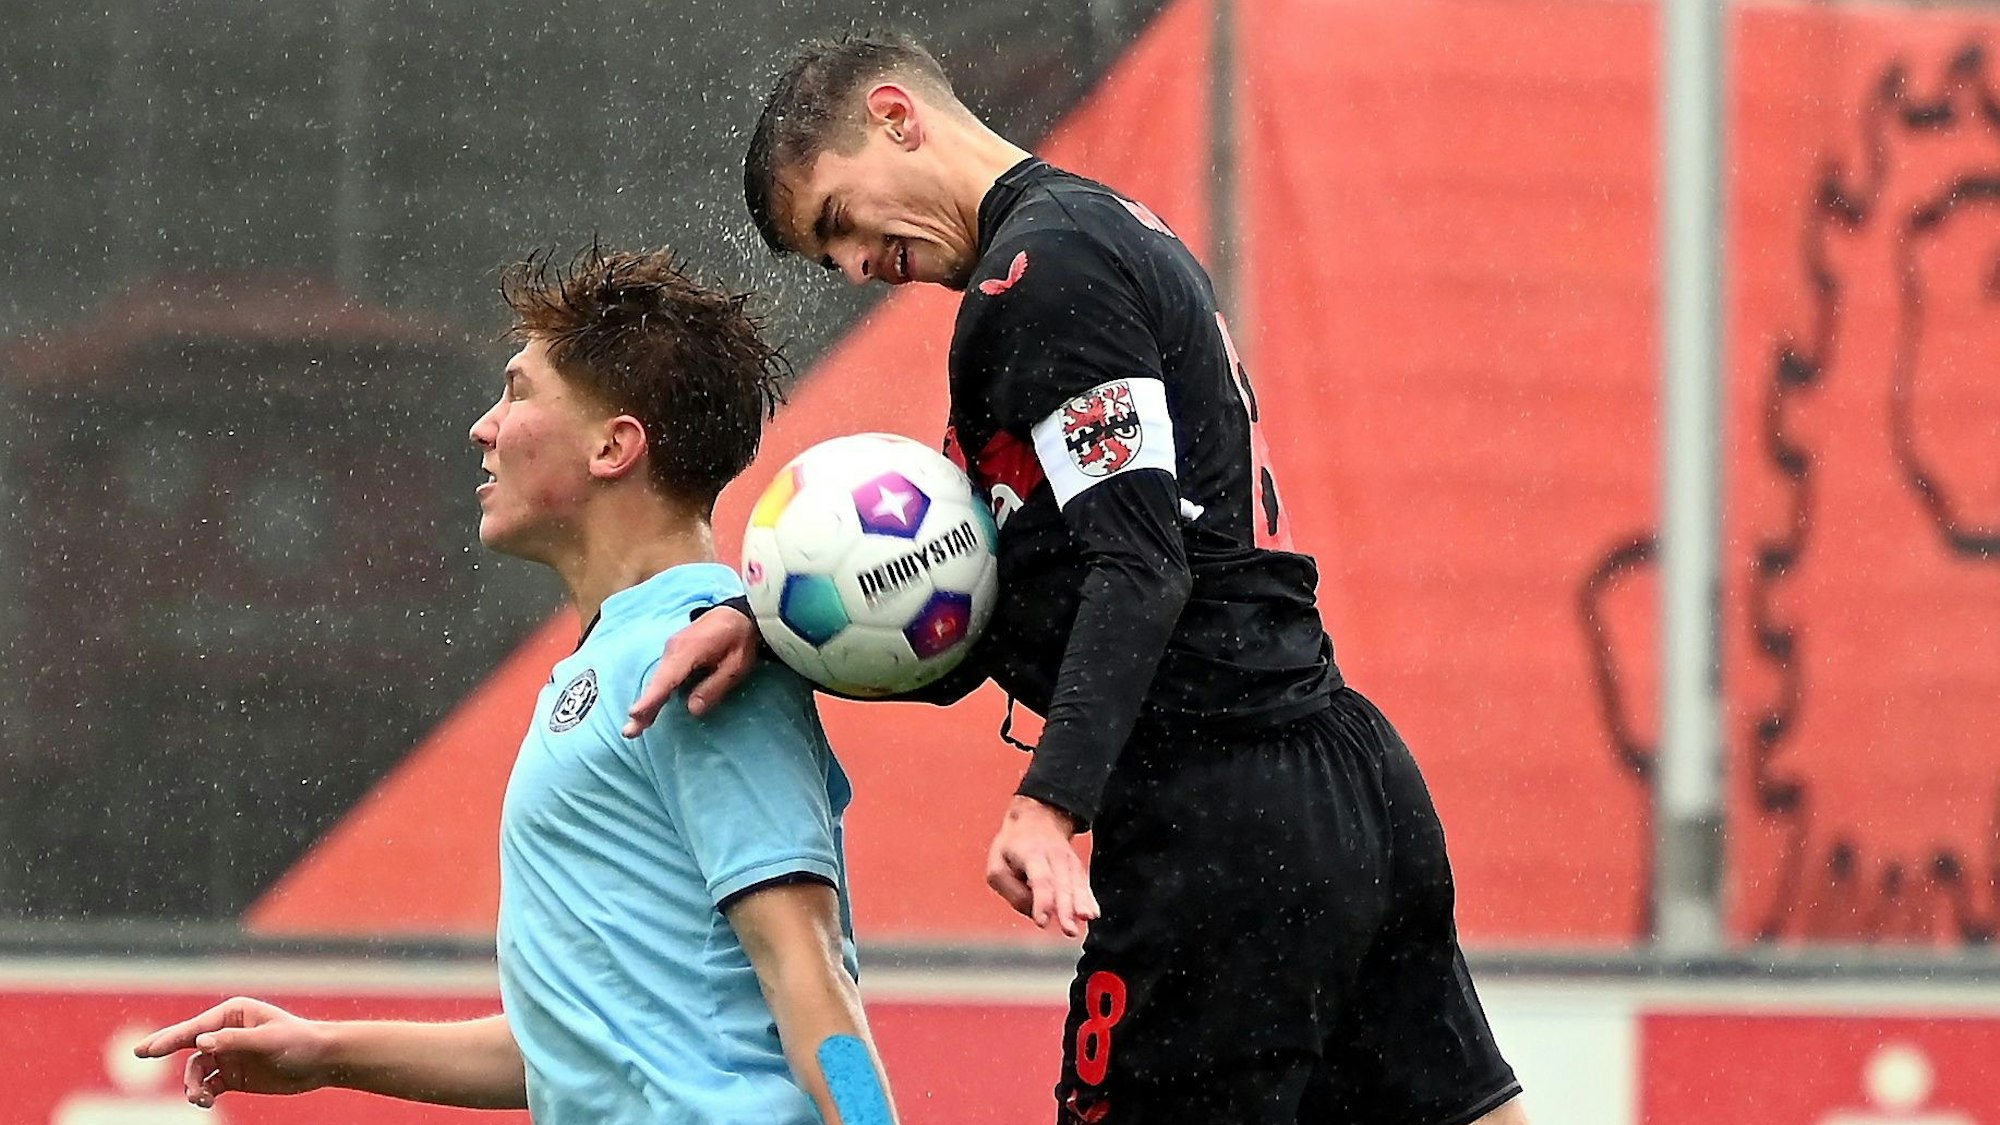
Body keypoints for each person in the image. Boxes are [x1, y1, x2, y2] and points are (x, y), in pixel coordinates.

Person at [624, 33, 1530, 1125]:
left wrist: (1049, 804)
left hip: (1217, 809)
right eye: (832, 261)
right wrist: (771, 628)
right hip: (1339, 775)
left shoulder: (1040, 276)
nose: (860, 265)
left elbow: (1140, 565)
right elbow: (993, 598)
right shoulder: (1094, 234)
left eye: (837, 222)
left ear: (896, 116)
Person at [134, 247, 899, 1125]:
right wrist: (323, 1050)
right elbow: (581, 1039)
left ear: (615, 446)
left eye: (520, 392)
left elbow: (809, 970)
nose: (484, 427)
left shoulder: (704, 656)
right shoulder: (618, 657)